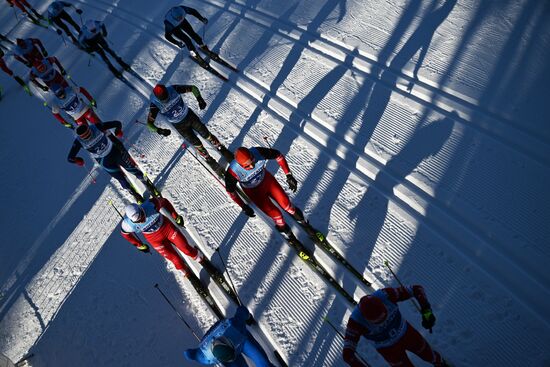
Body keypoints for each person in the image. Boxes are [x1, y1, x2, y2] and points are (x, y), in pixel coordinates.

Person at [343, 285, 450, 367]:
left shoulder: (386, 295)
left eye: (384, 316)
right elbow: (348, 354)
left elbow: (416, 289)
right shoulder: (355, 322)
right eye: (377, 321)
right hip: (388, 349)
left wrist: (427, 312)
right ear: (365, 318)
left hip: (406, 334)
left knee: (429, 355)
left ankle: (440, 363)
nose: (382, 321)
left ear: (383, 304)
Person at [225, 147, 311, 245]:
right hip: (254, 192)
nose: (252, 166)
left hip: (267, 182)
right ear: (240, 165)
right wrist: (243, 206)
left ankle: (305, 224)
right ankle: (290, 236)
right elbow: (230, 191)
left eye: (253, 161)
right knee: (277, 216)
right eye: (247, 166)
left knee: (288, 206)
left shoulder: (258, 152)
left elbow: (278, 155)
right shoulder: (233, 171)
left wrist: (289, 175)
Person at [147, 83, 233, 174]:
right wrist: (159, 130)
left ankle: (222, 149)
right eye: (163, 99)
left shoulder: (173, 89)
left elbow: (193, 88)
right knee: (197, 144)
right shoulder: (155, 104)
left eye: (166, 96)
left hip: (190, 117)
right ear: (158, 97)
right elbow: (149, 124)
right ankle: (209, 159)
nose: (166, 99)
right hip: (180, 126)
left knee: (207, 135)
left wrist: (200, 99)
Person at [67, 121, 159, 202]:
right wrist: (77, 160)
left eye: (89, 134)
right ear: (81, 137)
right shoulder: (79, 141)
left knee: (132, 169)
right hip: (105, 161)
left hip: (114, 152)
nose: (88, 137)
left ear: (89, 129)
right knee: (121, 179)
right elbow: (70, 158)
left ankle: (148, 184)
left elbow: (117, 123)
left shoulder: (96, 127)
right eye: (86, 137)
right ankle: (134, 194)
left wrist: (118, 130)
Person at [120, 198, 206, 276]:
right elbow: (125, 234)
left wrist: (176, 216)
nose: (142, 220)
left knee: (186, 249)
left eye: (142, 216)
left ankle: (199, 257)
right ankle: (184, 271)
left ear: (142, 209)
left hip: (168, 229)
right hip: (155, 240)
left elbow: (164, 201)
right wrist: (139, 245)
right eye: (138, 221)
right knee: (176, 260)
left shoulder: (151, 204)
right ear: (132, 220)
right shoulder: (128, 225)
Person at [184, 306, 275, 367]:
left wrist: (247, 317)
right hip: (233, 346)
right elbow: (190, 354)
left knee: (264, 364)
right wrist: (190, 354)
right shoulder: (205, 357)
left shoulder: (235, 326)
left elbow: (242, 311)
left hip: (242, 340)